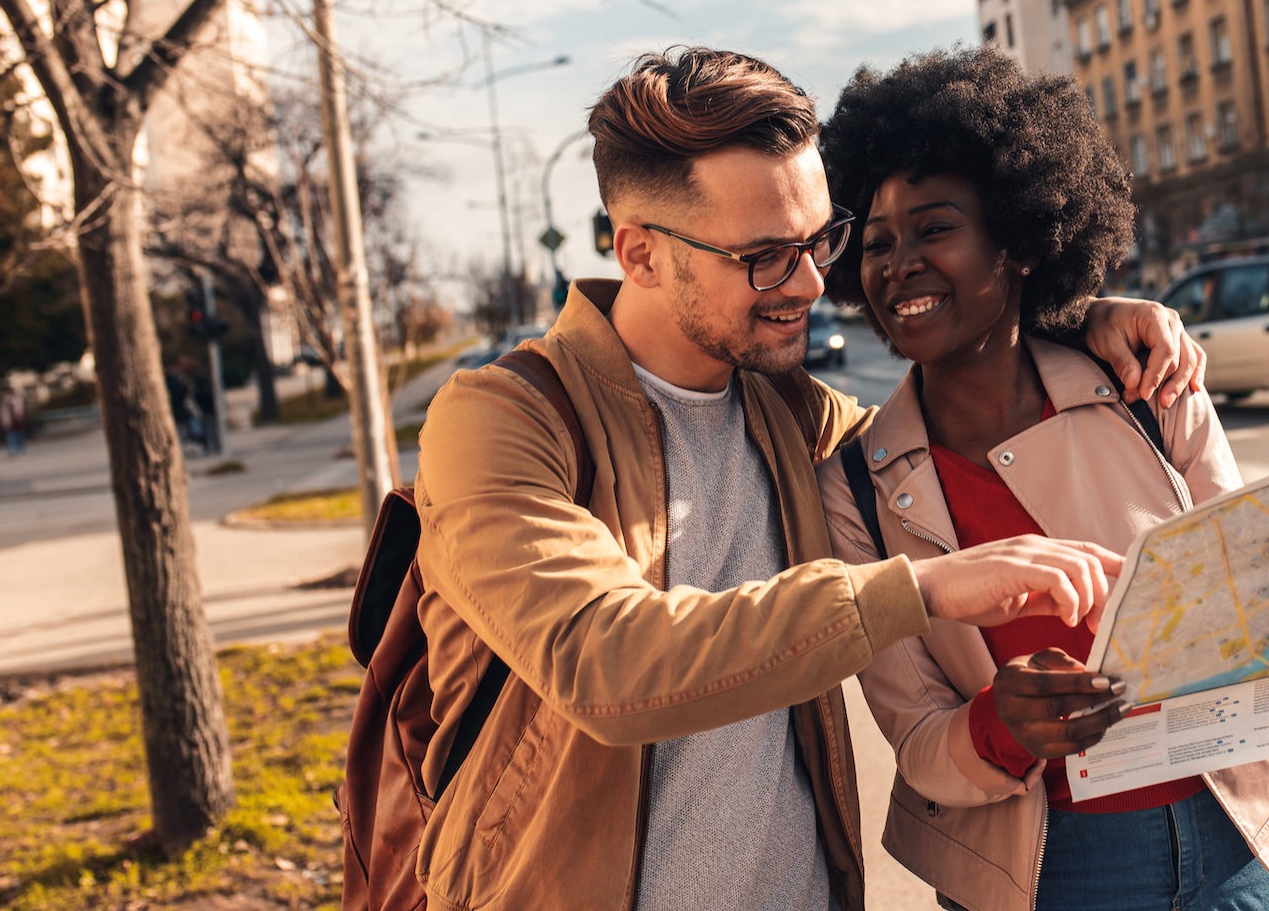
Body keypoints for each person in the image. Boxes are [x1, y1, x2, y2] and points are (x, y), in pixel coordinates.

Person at [408, 46, 1210, 910]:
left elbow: (957, 400)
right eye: (764, 255)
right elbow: (604, 660)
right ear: (640, 254)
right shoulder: (502, 418)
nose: (812, 282)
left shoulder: (792, 412)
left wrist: (1072, 316)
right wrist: (922, 589)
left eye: (819, 239)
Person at [816, 47, 1269, 911]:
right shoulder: (856, 486)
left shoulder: (1148, 386)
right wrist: (1001, 725)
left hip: (1239, 834)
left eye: (934, 229)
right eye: (877, 244)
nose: (899, 263)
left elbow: (1251, 601)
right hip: (1050, 871)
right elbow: (918, 739)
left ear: (1018, 242)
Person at [0, 386, 29, 457]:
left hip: (18, 422)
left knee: (20, 435)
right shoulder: (4, 403)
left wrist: (21, 418)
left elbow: (21, 410)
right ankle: (12, 449)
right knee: (11, 436)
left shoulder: (17, 400)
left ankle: (21, 447)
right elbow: (3, 414)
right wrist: (4, 422)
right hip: (9, 423)